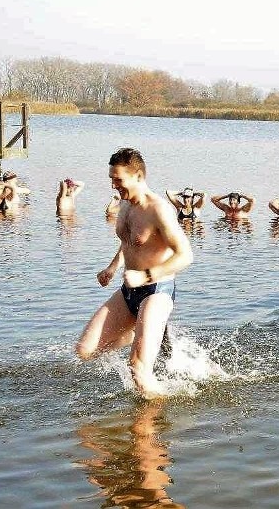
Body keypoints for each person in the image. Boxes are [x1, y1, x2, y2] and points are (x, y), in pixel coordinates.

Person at [76, 147, 193, 399]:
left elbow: (185, 255)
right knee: (86, 350)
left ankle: (160, 419)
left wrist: (145, 276)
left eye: (118, 179)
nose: (113, 185)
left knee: (138, 370)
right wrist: (113, 266)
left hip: (156, 292)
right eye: (111, 179)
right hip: (129, 292)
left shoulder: (159, 210)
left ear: (138, 176)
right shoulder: (126, 205)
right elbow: (130, 241)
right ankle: (140, 334)